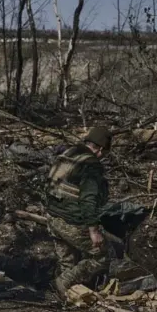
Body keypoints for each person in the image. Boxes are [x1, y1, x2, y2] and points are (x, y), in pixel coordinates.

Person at [44, 126, 112, 298]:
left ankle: (61, 298)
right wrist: (93, 230)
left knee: (67, 261)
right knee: (103, 256)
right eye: (105, 154)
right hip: (71, 221)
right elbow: (88, 199)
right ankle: (61, 284)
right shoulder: (91, 164)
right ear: (101, 149)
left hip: (52, 217)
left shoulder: (68, 153)